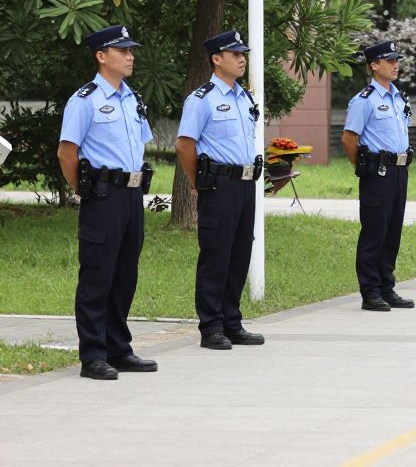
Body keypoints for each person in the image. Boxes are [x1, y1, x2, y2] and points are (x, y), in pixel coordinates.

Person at [56, 25, 157, 381]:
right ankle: (93, 355)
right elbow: (66, 152)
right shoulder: (84, 100)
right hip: (102, 195)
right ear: (101, 56)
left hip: (132, 195)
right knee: (98, 275)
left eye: (131, 50)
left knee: (125, 275)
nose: (130, 56)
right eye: (122, 50)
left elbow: (140, 144)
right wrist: (84, 189)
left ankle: (118, 348)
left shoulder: (132, 99)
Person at [176, 30, 265, 350]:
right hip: (218, 184)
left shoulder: (245, 98)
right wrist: (197, 182)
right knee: (216, 255)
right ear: (216, 59)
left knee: (240, 253)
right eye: (235, 54)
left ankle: (232, 322)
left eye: (243, 54)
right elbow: (185, 144)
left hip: (245, 184)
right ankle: (211, 326)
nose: (242, 59)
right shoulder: (202, 99)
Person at [341, 40, 414, 312]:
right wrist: (362, 166)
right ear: (374, 65)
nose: (395, 65)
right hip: (377, 171)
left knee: (393, 231)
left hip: (400, 170)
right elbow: (349, 139)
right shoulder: (364, 100)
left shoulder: (399, 97)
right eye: (389, 60)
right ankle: (370, 292)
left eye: (397, 60)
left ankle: (386, 287)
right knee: (375, 232)